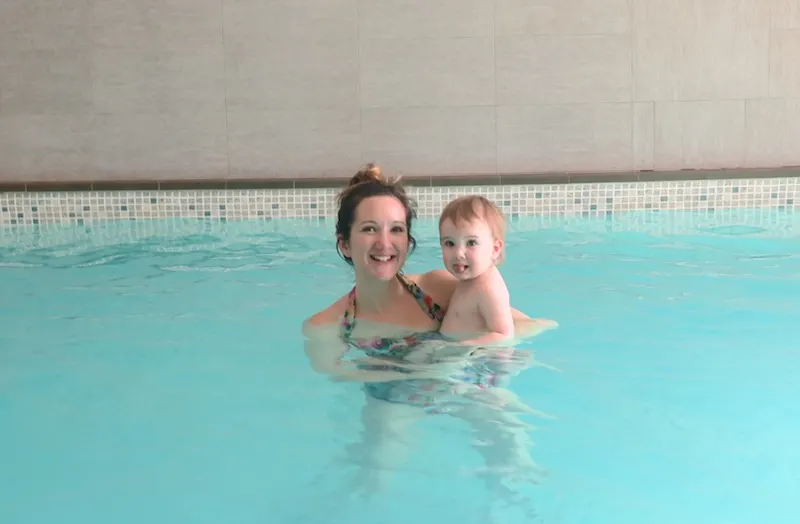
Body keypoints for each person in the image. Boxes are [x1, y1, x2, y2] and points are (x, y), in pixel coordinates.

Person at [302, 163, 557, 499]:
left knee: (514, 456)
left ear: (408, 241)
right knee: (374, 479)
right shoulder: (327, 326)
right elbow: (335, 376)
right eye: (368, 229)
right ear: (345, 244)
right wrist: (414, 371)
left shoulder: (439, 288)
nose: (384, 243)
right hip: (393, 399)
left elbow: (529, 326)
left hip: (461, 381)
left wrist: (463, 354)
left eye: (396, 230)